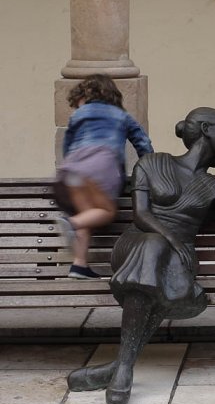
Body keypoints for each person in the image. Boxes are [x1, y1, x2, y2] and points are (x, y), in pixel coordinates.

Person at [66, 107, 215, 404]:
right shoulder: (152, 162)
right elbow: (141, 214)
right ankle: (123, 366)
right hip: (135, 246)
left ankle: (121, 366)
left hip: (176, 258)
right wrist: (173, 239)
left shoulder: (210, 184)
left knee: (157, 265)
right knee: (153, 248)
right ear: (205, 130)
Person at [54, 74, 154, 279]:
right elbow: (143, 144)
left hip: (71, 170)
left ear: (85, 96)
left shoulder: (78, 115)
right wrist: (149, 168)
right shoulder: (121, 115)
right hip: (100, 167)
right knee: (104, 211)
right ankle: (71, 224)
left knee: (84, 213)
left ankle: (79, 265)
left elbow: (67, 146)